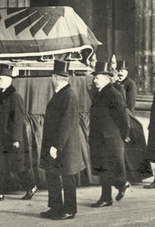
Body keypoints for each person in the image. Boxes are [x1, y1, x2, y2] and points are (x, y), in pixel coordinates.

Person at [39, 60, 85, 220]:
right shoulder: (61, 93)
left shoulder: (69, 95)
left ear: (56, 77)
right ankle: (56, 207)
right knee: (52, 175)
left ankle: (70, 210)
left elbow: (66, 123)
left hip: (64, 146)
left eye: (53, 77)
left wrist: (56, 146)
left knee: (67, 178)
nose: (51, 79)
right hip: (56, 145)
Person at [0, 64, 36, 202]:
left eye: (0, 78)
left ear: (8, 79)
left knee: (18, 165)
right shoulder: (1, 95)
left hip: (11, 138)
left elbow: (18, 120)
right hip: (0, 138)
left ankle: (31, 186)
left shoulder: (15, 96)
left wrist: (16, 139)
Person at [87, 61, 130, 209]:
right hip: (100, 137)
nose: (94, 80)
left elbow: (123, 117)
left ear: (106, 78)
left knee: (106, 168)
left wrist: (125, 135)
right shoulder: (100, 93)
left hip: (110, 138)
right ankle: (119, 186)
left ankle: (108, 195)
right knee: (103, 168)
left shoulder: (113, 94)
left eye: (97, 77)